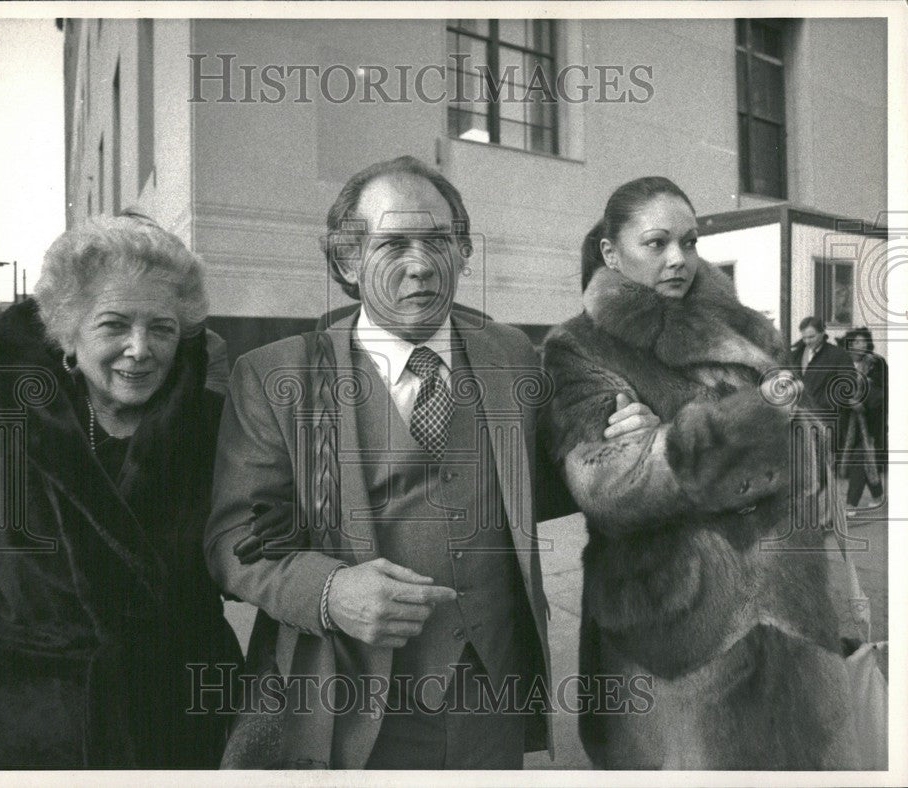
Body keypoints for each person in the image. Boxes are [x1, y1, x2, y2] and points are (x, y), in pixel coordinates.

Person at [204, 155, 653, 769]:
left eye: (439, 240)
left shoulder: (511, 355)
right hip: (348, 704)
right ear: (347, 260)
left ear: (463, 252)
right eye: (391, 244)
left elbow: (542, 484)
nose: (420, 264)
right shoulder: (277, 376)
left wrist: (622, 444)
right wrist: (331, 591)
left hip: (491, 693)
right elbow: (236, 540)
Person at [542, 176, 858, 769]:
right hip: (679, 630)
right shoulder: (580, 346)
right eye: (656, 243)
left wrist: (665, 437)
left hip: (791, 609)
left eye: (689, 242)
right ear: (612, 252)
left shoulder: (750, 329)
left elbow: (813, 445)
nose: (677, 259)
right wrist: (760, 419)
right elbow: (612, 487)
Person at [0, 216, 242, 768]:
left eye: (162, 328)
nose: (140, 349)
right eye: (113, 325)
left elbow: (257, 564)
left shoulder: (223, 433)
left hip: (180, 730)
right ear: (68, 334)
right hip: (29, 739)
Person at [841, 327, 887, 510]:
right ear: (849, 344)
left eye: (864, 341)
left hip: (869, 422)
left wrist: (862, 401)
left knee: (859, 459)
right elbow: (834, 390)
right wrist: (847, 401)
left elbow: (884, 392)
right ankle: (878, 495)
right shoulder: (842, 364)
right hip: (847, 422)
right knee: (866, 460)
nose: (861, 345)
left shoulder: (877, 363)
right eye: (856, 341)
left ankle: (850, 504)